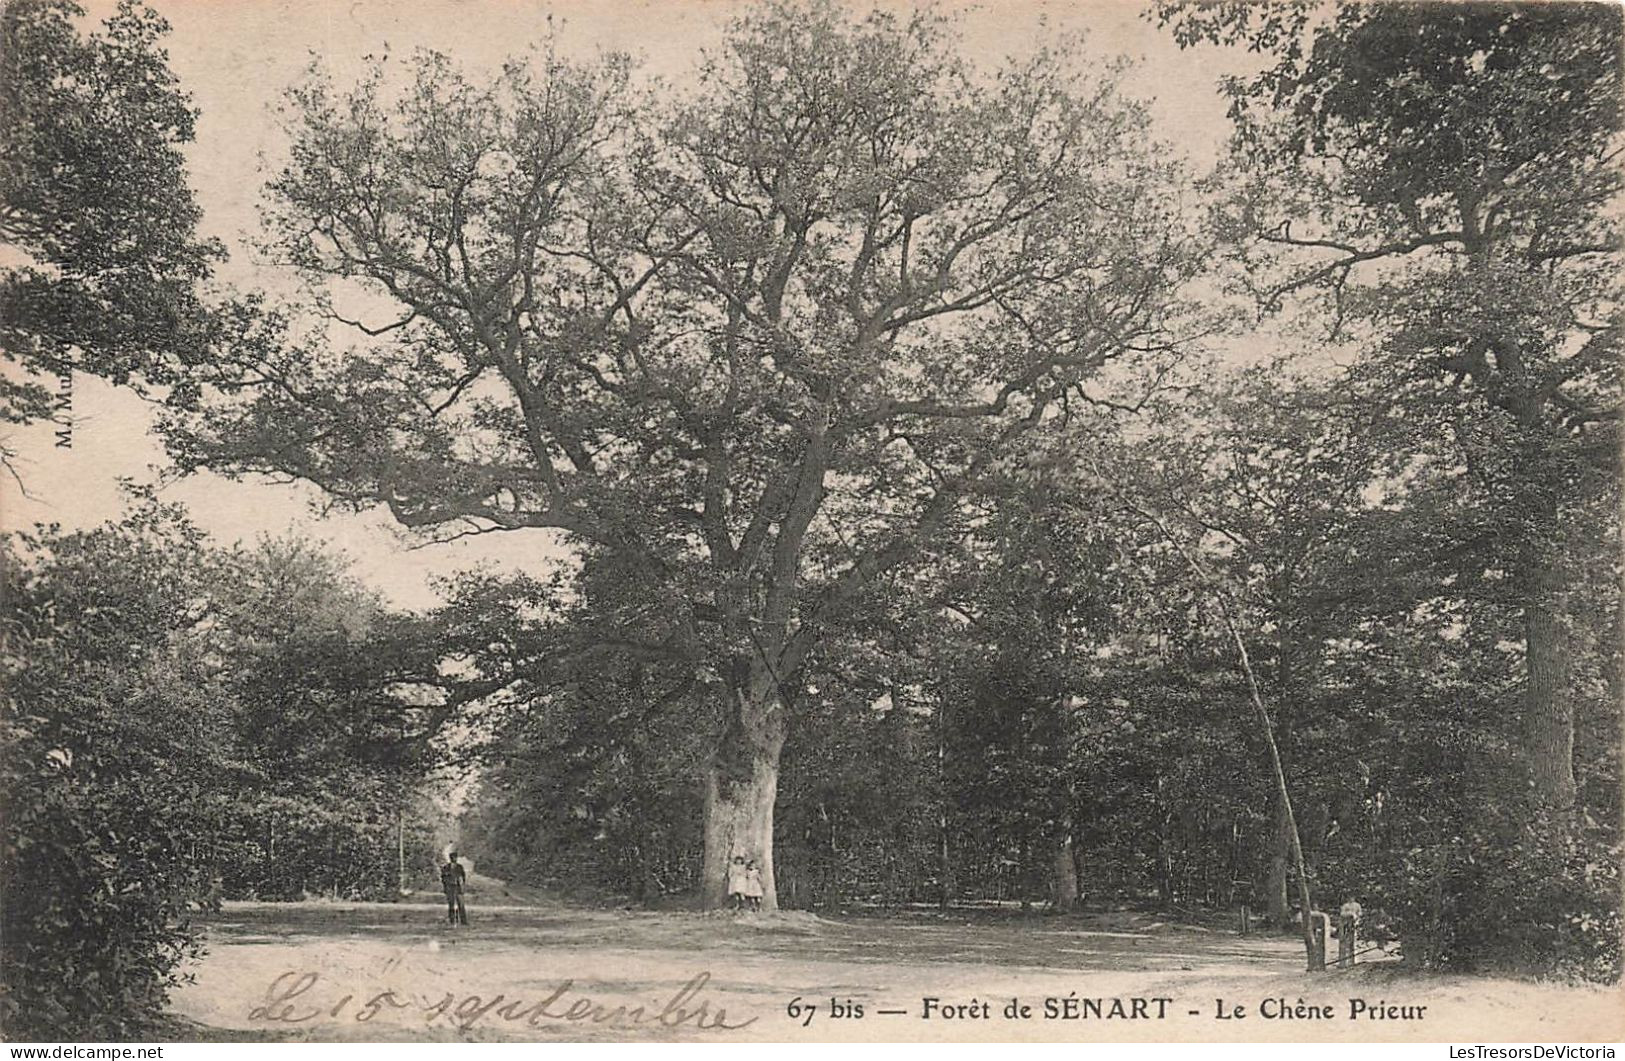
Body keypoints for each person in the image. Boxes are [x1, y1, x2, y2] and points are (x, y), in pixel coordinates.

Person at [441, 851, 468, 925]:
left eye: (455, 857)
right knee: (451, 904)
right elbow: (443, 879)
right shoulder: (446, 867)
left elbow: (463, 877)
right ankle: (452, 920)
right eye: (452, 857)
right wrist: (445, 887)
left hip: (458, 887)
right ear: (450, 858)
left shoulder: (459, 867)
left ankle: (463, 921)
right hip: (450, 888)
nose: (454, 859)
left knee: (461, 904)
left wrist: (462, 886)